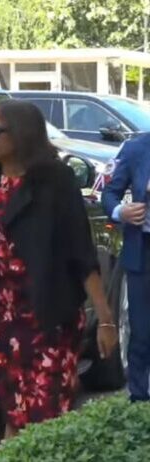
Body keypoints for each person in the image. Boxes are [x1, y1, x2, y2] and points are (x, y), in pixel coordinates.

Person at [0, 99, 118, 438]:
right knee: (12, 411)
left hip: (49, 318)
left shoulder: (55, 182)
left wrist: (105, 320)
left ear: (21, 134)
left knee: (47, 416)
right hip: (3, 320)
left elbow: (82, 254)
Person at [102, 134, 150, 403]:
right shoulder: (136, 149)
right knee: (141, 331)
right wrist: (121, 211)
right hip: (143, 251)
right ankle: (139, 401)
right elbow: (109, 192)